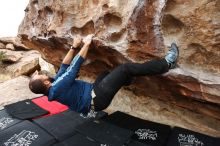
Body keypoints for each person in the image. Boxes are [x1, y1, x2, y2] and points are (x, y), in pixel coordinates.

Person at [29, 35, 179, 114]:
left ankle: (127, 80)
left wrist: (74, 46)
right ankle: (167, 63)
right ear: (46, 83)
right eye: (40, 76)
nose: (41, 74)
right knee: (125, 69)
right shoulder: (58, 87)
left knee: (105, 73)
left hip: (93, 92)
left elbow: (64, 66)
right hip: (97, 99)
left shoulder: (53, 85)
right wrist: (86, 44)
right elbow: (73, 67)